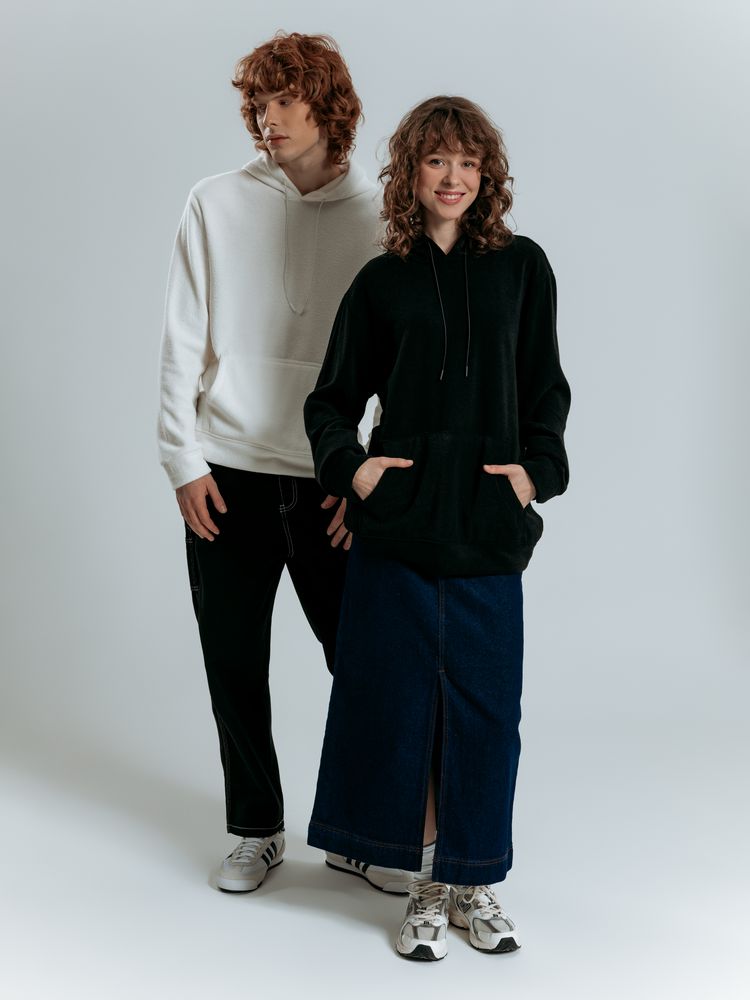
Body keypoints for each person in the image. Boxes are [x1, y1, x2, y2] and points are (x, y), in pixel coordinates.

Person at [304, 95, 571, 960]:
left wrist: (534, 476)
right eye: (435, 161)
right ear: (410, 174)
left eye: (467, 161)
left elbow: (546, 391)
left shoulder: (523, 267)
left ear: (486, 173)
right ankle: (423, 885)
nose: (453, 177)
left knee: (488, 711)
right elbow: (330, 401)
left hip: (486, 526)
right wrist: (355, 470)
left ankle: (473, 882)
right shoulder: (381, 281)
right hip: (402, 527)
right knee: (402, 708)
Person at [157, 31, 417, 895]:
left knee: (366, 664)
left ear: (327, 105)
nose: (265, 118)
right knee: (233, 662)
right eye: (257, 103)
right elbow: (182, 340)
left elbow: (402, 365)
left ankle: (365, 835)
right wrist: (182, 459)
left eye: (283, 100)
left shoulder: (381, 219)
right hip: (225, 473)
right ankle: (255, 829)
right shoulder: (214, 201)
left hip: (330, 482)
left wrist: (365, 473)